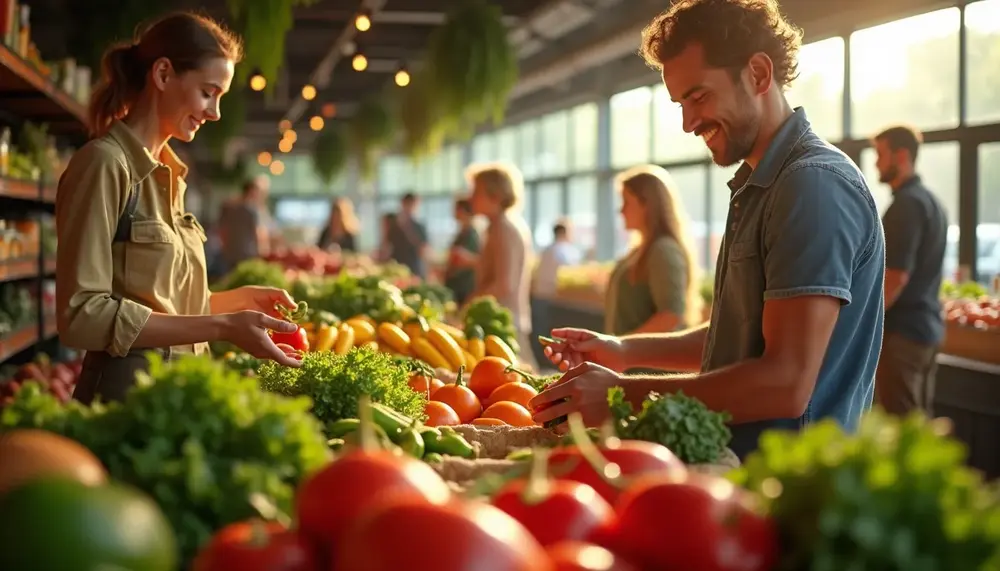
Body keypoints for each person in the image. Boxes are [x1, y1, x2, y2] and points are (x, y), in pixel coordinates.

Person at [535, 0, 885, 460]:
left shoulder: (811, 185)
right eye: (681, 103)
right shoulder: (764, 184)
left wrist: (620, 393)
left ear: (759, 75)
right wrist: (622, 349)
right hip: (739, 470)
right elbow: (735, 337)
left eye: (698, 97)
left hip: (783, 488)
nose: (688, 123)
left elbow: (785, 383)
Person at [55, 12, 302, 405]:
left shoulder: (170, 175)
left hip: (178, 397)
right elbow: (81, 316)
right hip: (126, 407)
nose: (215, 112)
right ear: (164, 74)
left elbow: (162, 305)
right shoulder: (105, 165)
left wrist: (236, 301)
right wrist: (222, 326)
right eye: (208, 92)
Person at [872, 125, 948, 417]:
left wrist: (865, 322)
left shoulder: (906, 205)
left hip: (902, 336)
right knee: (919, 431)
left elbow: (896, 277)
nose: (877, 163)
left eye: (881, 154)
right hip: (927, 332)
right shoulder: (932, 203)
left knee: (900, 434)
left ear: (901, 156)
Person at [604, 165, 702, 336]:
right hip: (630, 360)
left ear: (646, 204)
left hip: (643, 361)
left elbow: (671, 317)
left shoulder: (663, 250)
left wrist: (623, 347)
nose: (621, 210)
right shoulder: (639, 251)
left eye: (626, 202)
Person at [467, 162, 537, 369]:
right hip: (502, 320)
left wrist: (468, 305)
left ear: (494, 195)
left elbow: (504, 284)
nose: (471, 198)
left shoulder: (504, 229)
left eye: (476, 192)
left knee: (522, 382)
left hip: (505, 324)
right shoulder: (500, 226)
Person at [219, 177, 269, 272]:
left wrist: (225, 248)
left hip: (231, 253)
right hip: (249, 253)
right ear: (252, 191)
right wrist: (263, 251)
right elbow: (258, 232)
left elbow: (222, 231)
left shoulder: (229, 207)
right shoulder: (252, 209)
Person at [532, 220, 583, 299]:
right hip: (555, 295)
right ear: (564, 233)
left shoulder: (546, 250)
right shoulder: (565, 251)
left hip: (540, 293)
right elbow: (572, 271)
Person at [444, 198, 481, 305]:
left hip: (463, 286)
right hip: (456, 285)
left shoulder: (471, 235)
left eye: (457, 209)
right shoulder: (462, 233)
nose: (454, 212)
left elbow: (465, 260)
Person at [388, 193, 429, 278]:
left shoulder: (419, 227)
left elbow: (423, 250)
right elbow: (387, 246)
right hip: (397, 269)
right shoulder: (394, 225)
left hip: (415, 269)